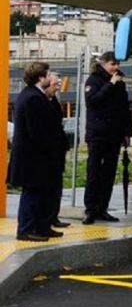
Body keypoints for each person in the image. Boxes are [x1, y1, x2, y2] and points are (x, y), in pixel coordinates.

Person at [10, 62, 64, 241]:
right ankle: (26, 229)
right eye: (49, 75)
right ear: (41, 78)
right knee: (32, 194)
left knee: (42, 193)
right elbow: (38, 130)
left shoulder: (36, 95)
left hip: (37, 156)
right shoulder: (33, 98)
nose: (52, 78)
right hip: (33, 157)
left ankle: (42, 227)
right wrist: (50, 149)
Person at [83, 52, 132, 224]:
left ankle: (103, 208)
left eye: (117, 64)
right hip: (97, 135)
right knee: (94, 172)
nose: (116, 67)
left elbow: (125, 109)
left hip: (114, 134)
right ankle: (90, 209)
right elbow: (93, 102)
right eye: (112, 64)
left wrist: (127, 133)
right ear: (103, 64)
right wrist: (110, 85)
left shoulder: (120, 84)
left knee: (109, 173)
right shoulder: (93, 81)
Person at [44, 72, 71, 229]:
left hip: (57, 149)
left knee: (56, 184)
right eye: (55, 84)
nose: (58, 86)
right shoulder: (41, 100)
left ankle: (53, 215)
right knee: (48, 185)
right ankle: (48, 217)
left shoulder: (53, 99)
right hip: (50, 150)